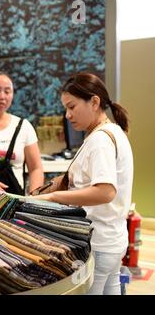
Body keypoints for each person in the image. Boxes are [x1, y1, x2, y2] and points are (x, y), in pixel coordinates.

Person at [32, 72, 133, 295]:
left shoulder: (100, 140)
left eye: (72, 107)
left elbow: (105, 192)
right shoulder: (112, 132)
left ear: (94, 102)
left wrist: (52, 197)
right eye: (65, 109)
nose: (67, 115)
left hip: (97, 242)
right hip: (112, 239)